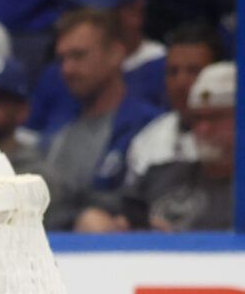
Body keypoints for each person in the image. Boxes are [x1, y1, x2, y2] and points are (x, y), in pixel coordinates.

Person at [38, 8, 163, 231]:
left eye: (78, 56)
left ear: (115, 54)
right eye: (62, 59)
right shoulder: (59, 131)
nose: (67, 69)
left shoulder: (148, 126)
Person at [87, 60, 234, 232]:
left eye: (215, 118)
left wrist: (174, 241)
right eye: (197, 118)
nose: (203, 129)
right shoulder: (160, 176)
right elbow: (108, 207)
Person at [27, 0, 166, 133]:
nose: (89, 17)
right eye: (81, 9)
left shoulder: (166, 69)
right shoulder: (56, 74)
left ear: (134, 12)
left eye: (104, 11)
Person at [121, 21, 225, 192]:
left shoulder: (234, 140)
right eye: (173, 72)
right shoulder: (147, 142)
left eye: (194, 71)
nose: (181, 83)